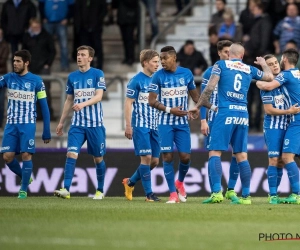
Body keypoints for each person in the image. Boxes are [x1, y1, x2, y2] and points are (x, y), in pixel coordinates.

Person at [189, 43, 273, 205]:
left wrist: (198, 106)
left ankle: (216, 193)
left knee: (215, 153)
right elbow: (269, 77)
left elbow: (209, 88)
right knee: (241, 154)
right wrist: (263, 64)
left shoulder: (220, 65)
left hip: (224, 112)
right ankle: (246, 196)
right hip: (242, 113)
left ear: (230, 55)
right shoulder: (249, 69)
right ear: (242, 56)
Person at [54, 45, 107, 200]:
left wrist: (82, 104)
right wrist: (61, 122)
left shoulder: (98, 74)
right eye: (78, 54)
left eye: (83, 54)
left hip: (95, 124)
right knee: (71, 153)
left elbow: (99, 96)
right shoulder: (72, 77)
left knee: (98, 158)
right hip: (77, 124)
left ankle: (100, 190)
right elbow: (69, 99)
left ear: (90, 58)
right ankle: (66, 189)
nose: (79, 57)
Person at [148, 46, 200, 203]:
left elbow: (195, 96)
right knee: (168, 156)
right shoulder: (157, 76)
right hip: (164, 122)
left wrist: (197, 109)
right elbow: (151, 101)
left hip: (182, 122)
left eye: (165, 58)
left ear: (174, 58)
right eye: (160, 59)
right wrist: (171, 110)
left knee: (185, 157)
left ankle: (180, 183)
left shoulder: (186, 73)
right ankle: (172, 194)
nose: (162, 62)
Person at [0, 49, 51, 199]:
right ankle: (25, 176)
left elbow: (44, 106)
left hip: (27, 124)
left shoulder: (36, 81)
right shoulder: (8, 78)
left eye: (18, 61)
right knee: (7, 157)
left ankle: (23, 190)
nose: (14, 64)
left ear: (26, 63)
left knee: (26, 154)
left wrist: (46, 130)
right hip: (11, 124)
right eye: (14, 61)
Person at [256, 48, 300, 204]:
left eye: (276, 62)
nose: (275, 65)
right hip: (274, 126)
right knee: (274, 160)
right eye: (270, 64)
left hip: (290, 124)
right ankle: (273, 195)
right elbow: (268, 110)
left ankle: (295, 193)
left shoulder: (284, 81)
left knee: (284, 159)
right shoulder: (269, 86)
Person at [200, 40, 241, 203]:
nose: (228, 55)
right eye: (225, 52)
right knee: (213, 154)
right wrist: (203, 120)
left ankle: (231, 190)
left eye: (230, 52)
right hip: (214, 119)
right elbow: (204, 97)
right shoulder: (209, 72)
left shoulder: (238, 71)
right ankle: (215, 191)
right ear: (219, 53)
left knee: (238, 154)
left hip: (234, 117)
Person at [122, 49, 161, 202]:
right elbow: (128, 103)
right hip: (141, 125)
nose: (157, 64)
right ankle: (149, 194)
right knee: (146, 158)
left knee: (154, 161)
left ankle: (130, 182)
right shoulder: (136, 80)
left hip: (155, 125)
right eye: (154, 62)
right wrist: (128, 125)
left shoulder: (157, 80)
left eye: (158, 62)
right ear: (145, 63)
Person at [244, 0, 273, 132]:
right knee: (250, 95)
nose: (252, 11)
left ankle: (256, 123)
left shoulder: (264, 22)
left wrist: (256, 55)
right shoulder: (257, 22)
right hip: (252, 61)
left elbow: (263, 42)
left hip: (258, 62)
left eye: (255, 9)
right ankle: (250, 122)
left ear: (260, 9)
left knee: (259, 94)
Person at [22, 18, 56, 121]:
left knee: (44, 93)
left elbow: (52, 51)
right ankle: (35, 114)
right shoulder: (27, 37)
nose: (35, 28)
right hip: (31, 68)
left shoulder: (46, 36)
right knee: (32, 93)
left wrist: (47, 64)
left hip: (43, 68)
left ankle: (47, 114)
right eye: (33, 27)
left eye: (37, 26)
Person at [38, 0, 74, 72]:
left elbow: (72, 6)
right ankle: (44, 65)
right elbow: (41, 5)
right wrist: (43, 17)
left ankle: (65, 66)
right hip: (48, 22)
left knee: (64, 46)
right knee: (45, 45)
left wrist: (67, 18)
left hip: (61, 23)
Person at [74, 0, 107, 70]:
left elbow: (104, 10)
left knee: (98, 47)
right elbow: (77, 12)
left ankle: (99, 66)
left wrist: (98, 21)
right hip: (83, 28)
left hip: (96, 27)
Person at [112, 0, 139, 66]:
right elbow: (114, 5)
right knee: (124, 39)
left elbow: (133, 3)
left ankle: (131, 57)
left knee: (129, 38)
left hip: (130, 17)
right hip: (122, 18)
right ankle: (127, 57)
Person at [0, 28, 9, 129]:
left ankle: (0, 122)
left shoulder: (5, 45)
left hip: (1, 75)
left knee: (1, 102)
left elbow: (3, 60)